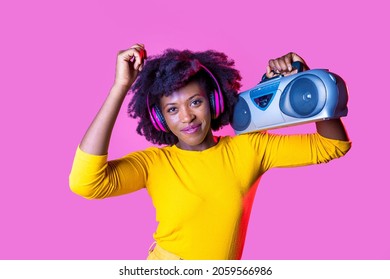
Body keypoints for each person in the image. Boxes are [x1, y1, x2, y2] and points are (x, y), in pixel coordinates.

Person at [69, 43, 351, 260]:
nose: (187, 117)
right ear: (160, 119)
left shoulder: (249, 148)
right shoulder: (153, 163)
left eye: (195, 102)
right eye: (172, 109)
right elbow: (85, 183)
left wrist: (307, 86)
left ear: (215, 101)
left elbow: (332, 146)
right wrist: (121, 86)